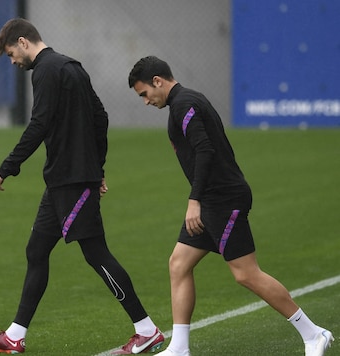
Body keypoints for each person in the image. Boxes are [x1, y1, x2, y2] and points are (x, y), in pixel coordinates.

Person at [0, 18, 163, 355]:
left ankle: (146, 329)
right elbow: (99, 116)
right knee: (37, 251)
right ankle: (16, 336)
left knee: (95, 253)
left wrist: (8, 166)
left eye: (12, 54)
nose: (14, 62)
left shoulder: (45, 71)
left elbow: (39, 124)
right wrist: (97, 167)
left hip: (72, 182)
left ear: (23, 42)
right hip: (64, 180)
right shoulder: (72, 67)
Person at [126, 55, 334, 356]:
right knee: (179, 264)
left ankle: (314, 334)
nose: (145, 101)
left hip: (222, 199)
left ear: (157, 81)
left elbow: (205, 151)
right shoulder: (183, 103)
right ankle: (179, 348)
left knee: (246, 273)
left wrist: (194, 200)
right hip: (212, 200)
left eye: (144, 93)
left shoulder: (185, 103)